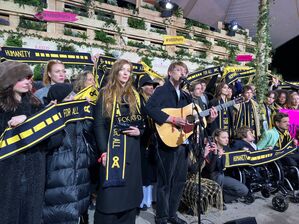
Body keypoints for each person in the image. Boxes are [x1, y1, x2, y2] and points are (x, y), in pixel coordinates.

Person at [94, 59, 144, 224]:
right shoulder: (105, 93)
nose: (125, 73)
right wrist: (103, 151)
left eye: (128, 71)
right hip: (113, 149)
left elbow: (143, 121)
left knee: (129, 195)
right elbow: (99, 125)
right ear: (115, 72)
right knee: (110, 196)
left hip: (132, 148)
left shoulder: (135, 95)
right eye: (122, 70)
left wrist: (140, 131)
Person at [0, 61, 46, 224]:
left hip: (34, 173)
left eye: (29, 77)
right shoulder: (1, 108)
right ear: (8, 81)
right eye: (21, 78)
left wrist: (29, 122)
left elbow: (56, 138)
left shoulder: (38, 106)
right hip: (6, 175)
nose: (28, 81)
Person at [145, 61, 191, 224]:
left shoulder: (186, 95)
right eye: (179, 70)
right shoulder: (162, 90)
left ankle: (172, 214)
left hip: (183, 142)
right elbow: (149, 108)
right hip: (165, 142)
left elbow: (190, 118)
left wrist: (208, 118)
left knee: (179, 181)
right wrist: (171, 119)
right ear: (170, 72)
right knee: (165, 181)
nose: (182, 73)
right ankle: (161, 217)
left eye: (184, 71)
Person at [42, 83, 94, 224]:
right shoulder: (49, 121)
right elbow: (51, 143)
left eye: (73, 94)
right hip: (59, 187)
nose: (74, 98)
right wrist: (50, 115)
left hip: (80, 184)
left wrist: (88, 111)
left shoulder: (78, 119)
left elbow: (90, 131)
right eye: (69, 96)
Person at [203, 129, 249, 204]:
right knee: (219, 176)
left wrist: (242, 151)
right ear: (216, 138)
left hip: (222, 176)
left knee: (244, 190)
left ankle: (221, 198)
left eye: (227, 137)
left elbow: (234, 156)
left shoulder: (226, 148)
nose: (226, 140)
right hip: (211, 176)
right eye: (224, 138)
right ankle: (218, 200)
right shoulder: (210, 148)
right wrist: (217, 156)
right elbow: (210, 169)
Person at [138, 74, 159, 211]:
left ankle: (148, 199)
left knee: (149, 171)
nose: (151, 87)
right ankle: (140, 201)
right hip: (141, 141)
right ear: (141, 87)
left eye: (153, 85)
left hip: (150, 141)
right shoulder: (139, 100)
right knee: (142, 171)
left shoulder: (152, 100)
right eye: (148, 85)